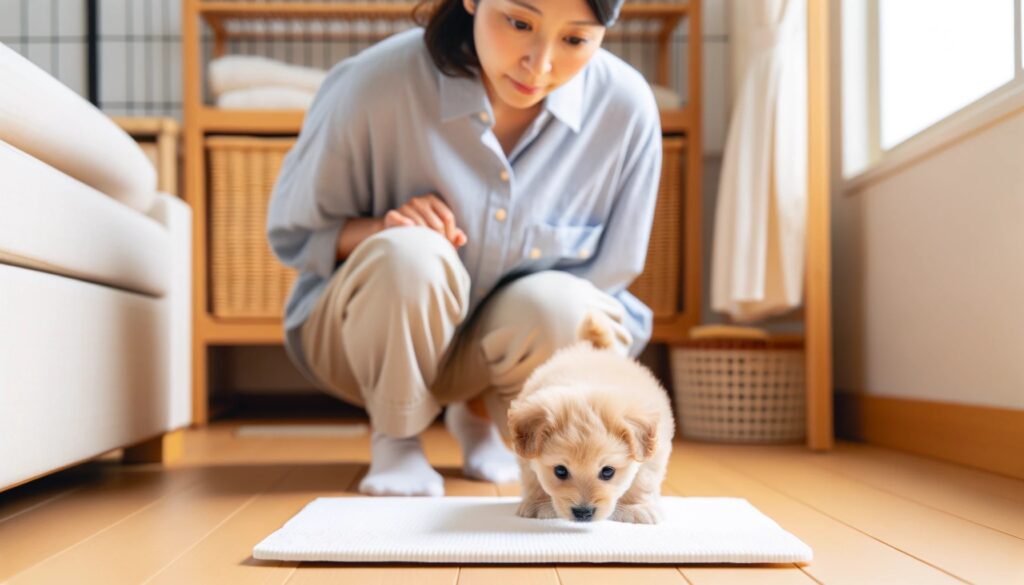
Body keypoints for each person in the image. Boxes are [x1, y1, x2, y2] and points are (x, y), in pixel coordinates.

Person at [267, 0, 662, 497]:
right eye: (519, 23)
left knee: (566, 305)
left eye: (575, 40)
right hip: (360, 339)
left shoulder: (625, 109)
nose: (539, 64)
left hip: (504, 352)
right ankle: (396, 438)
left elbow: (608, 279)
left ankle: (477, 417)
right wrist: (383, 228)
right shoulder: (373, 84)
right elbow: (296, 235)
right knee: (409, 255)